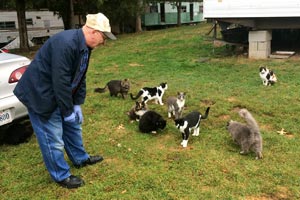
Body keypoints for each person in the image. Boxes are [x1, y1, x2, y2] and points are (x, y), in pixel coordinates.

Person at [13, 13, 116, 189]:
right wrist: (67, 111)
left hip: (58, 94)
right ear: (92, 31)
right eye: (103, 37)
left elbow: (80, 75)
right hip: (41, 95)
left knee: (73, 127)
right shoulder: (66, 44)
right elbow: (60, 82)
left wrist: (76, 104)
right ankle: (61, 175)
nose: (103, 42)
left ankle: (80, 159)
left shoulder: (84, 46)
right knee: (52, 136)